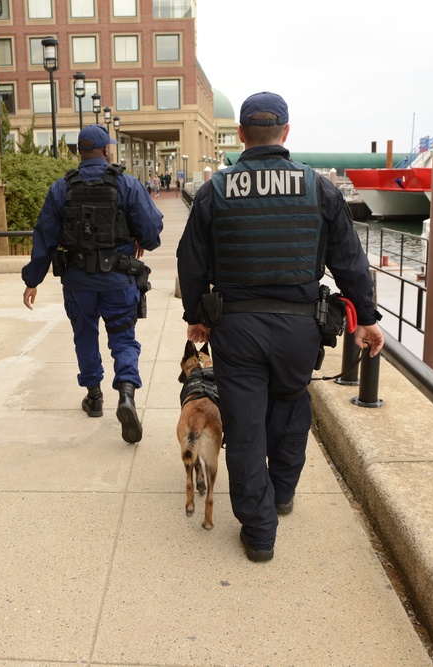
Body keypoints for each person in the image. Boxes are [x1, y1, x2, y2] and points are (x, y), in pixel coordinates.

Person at [176, 92, 384, 563]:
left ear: (242, 136)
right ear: (286, 134)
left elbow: (190, 261)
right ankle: (283, 492)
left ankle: (260, 533)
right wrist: (366, 320)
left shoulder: (216, 190)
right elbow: (351, 261)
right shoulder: (319, 189)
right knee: (290, 407)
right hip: (299, 329)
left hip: (238, 326)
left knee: (246, 426)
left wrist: (197, 317)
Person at [22, 124, 163, 443]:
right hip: (118, 280)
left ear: (79, 152)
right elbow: (152, 228)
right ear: (105, 150)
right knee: (124, 339)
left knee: (84, 334)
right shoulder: (125, 183)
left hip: (77, 282)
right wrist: (142, 238)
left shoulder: (62, 187)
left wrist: (33, 280)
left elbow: (43, 235)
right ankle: (126, 393)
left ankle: (94, 396)